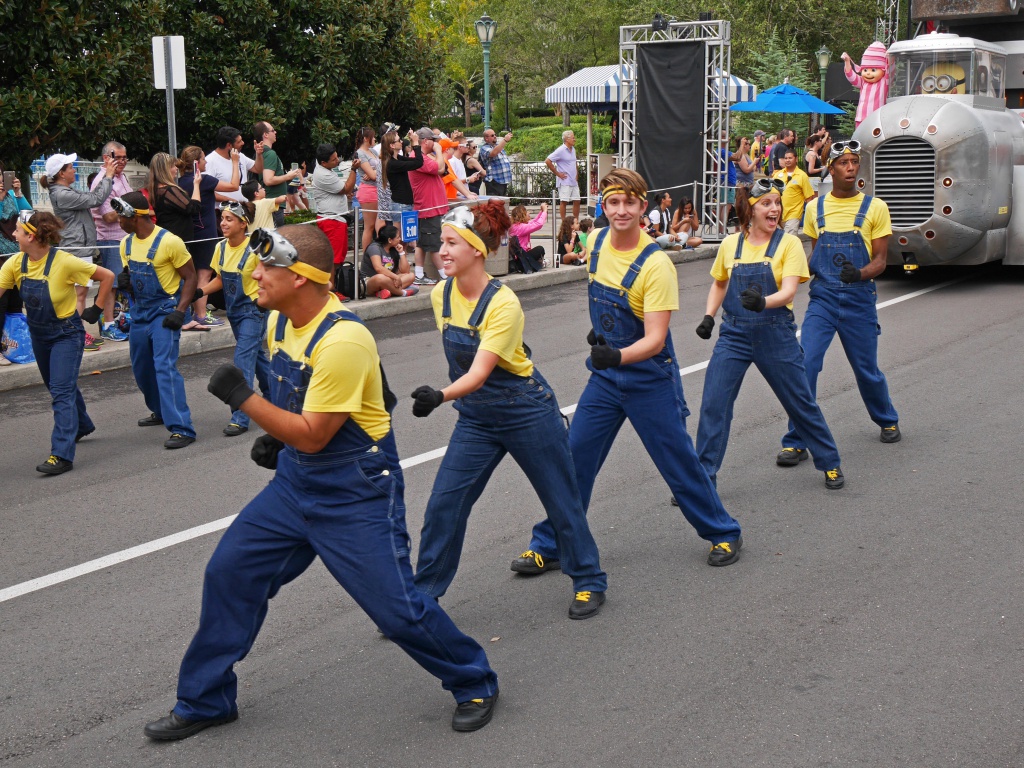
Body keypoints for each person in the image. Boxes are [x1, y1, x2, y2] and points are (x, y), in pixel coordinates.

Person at [144, 225, 499, 741]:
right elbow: (301, 412)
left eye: (267, 269)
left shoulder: (344, 339)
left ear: (303, 279)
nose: (255, 275)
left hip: (354, 490)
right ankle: (206, 699)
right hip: (295, 485)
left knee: (397, 610)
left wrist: (244, 399)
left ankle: (475, 681)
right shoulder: (279, 323)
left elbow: (313, 436)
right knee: (230, 574)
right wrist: (277, 434)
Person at [517, 169, 744, 570]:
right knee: (574, 458)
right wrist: (601, 331)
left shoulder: (657, 265)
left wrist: (618, 356)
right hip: (607, 377)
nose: (621, 210)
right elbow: (604, 297)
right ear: (603, 207)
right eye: (613, 203)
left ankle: (723, 532)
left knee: (678, 461)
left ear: (643, 206)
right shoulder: (598, 241)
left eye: (629, 203)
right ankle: (552, 542)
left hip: (648, 377)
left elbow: (655, 339)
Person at [410, 202, 608, 619]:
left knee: (561, 499)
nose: (441, 251)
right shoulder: (439, 295)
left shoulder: (504, 304)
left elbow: (480, 371)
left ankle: (588, 579)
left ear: (477, 250)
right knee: (445, 504)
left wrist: (441, 396)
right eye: (442, 242)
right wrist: (454, 398)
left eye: (451, 243)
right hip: (477, 418)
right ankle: (422, 597)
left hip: (525, 410)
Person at [693, 177, 845, 491]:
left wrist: (764, 301)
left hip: (776, 334)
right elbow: (720, 283)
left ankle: (829, 461)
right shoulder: (730, 245)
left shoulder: (789, 244)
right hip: (733, 335)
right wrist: (709, 316)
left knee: (799, 402)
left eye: (777, 202)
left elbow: (789, 290)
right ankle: (703, 480)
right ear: (750, 209)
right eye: (766, 203)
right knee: (713, 404)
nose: (774, 208)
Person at [778, 141, 901, 466]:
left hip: (859, 299)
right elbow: (818, 254)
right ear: (830, 169)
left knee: (866, 370)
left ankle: (887, 417)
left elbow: (880, 261)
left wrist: (859, 274)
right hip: (823, 298)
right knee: (806, 365)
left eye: (854, 161)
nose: (850, 167)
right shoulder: (814, 209)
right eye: (843, 162)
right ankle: (797, 438)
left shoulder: (876, 208)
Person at [0, 211, 115, 473]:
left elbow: (107, 276)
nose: (14, 234)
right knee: (58, 386)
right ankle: (82, 424)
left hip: (65, 334)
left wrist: (96, 309)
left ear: (31, 236)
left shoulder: (65, 262)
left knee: (61, 391)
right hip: (38, 333)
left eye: (18, 230)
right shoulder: (15, 264)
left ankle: (61, 454)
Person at [114, 191, 198, 449]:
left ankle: (182, 427)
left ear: (134, 216)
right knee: (141, 368)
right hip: (140, 314)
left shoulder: (170, 242)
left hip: (164, 313)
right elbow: (131, 279)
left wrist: (180, 312)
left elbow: (191, 277)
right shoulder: (125, 244)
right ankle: (160, 410)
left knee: (164, 367)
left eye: (121, 215)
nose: (117, 220)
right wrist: (124, 283)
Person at [193, 202, 271, 436]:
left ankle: (241, 416)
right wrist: (200, 292)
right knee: (256, 356)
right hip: (234, 312)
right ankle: (276, 394)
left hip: (253, 311)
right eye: (222, 218)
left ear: (243, 223)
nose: (223, 223)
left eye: (229, 219)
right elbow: (220, 279)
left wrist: (263, 300)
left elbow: (270, 277)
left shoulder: (257, 249)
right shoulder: (221, 248)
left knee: (243, 360)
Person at [39, 152, 118, 349]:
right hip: (77, 248)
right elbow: (96, 199)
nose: (74, 170)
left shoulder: (64, 190)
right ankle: (77, 336)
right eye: (71, 167)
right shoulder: (62, 194)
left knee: (79, 293)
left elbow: (92, 197)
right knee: (79, 294)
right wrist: (108, 175)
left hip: (80, 247)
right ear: (61, 173)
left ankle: (78, 334)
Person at [177, 145, 239, 328]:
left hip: (190, 233)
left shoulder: (182, 182)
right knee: (204, 274)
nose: (206, 162)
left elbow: (209, 195)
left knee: (192, 273)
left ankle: (197, 311)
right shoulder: (204, 179)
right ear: (197, 163)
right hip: (206, 232)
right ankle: (201, 314)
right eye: (204, 159)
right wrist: (235, 162)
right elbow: (234, 185)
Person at [89, 142, 133, 336]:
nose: (123, 161)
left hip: (126, 237)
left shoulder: (121, 176)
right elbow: (107, 216)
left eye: (125, 157)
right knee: (111, 284)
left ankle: (121, 320)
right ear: (107, 158)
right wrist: (129, 209)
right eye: (119, 157)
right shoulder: (102, 180)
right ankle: (108, 325)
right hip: (110, 238)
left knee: (124, 283)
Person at [408, 127, 450, 285]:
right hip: (428, 208)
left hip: (432, 207)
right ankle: (445, 276)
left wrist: (437, 154)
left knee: (423, 244)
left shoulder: (424, 156)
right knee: (434, 244)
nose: (436, 143)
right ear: (425, 141)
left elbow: (442, 169)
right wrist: (439, 151)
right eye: (434, 140)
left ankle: (419, 275)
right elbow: (439, 168)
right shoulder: (417, 157)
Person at [0, 164, 33, 358]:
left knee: (15, 304)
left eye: (2, 176)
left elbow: (28, 216)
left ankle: (12, 345)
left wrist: (18, 193)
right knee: (1, 304)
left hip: (15, 257)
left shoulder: (12, 196)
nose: (1, 181)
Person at [308, 143, 358, 267]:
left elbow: (340, 191)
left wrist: (344, 195)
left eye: (337, 157)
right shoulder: (323, 174)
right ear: (324, 162)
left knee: (339, 257)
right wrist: (353, 169)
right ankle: (331, 286)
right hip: (332, 221)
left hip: (335, 219)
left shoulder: (324, 168)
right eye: (334, 159)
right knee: (333, 261)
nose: (337, 161)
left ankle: (334, 284)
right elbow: (346, 188)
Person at [254, 121, 300, 227]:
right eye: (272, 130)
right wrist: (288, 176)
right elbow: (268, 180)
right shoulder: (270, 153)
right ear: (265, 134)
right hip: (273, 205)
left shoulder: (260, 153)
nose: (275, 132)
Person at [205, 126, 264, 206]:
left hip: (243, 210)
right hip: (223, 212)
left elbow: (258, 169)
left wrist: (258, 154)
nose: (243, 143)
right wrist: (230, 200)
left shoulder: (240, 156)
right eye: (239, 142)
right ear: (229, 145)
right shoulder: (209, 161)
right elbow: (206, 190)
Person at [361, 223, 417, 299]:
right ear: (390, 240)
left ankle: (386, 291)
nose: (399, 239)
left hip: (389, 279)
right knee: (380, 278)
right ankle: (402, 292)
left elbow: (405, 271)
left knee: (411, 275)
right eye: (398, 237)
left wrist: (401, 252)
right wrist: (396, 277)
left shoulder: (393, 248)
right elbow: (378, 268)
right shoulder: (374, 248)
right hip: (370, 281)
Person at [772, 148, 816, 235]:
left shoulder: (802, 176)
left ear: (796, 159)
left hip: (793, 215)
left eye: (790, 158)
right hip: (778, 214)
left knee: (790, 241)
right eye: (786, 158)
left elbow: (809, 197)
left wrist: (809, 217)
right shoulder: (777, 175)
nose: (787, 160)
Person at [545, 130, 581, 220]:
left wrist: (577, 173)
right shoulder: (560, 150)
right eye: (573, 138)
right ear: (567, 139)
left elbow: (575, 162)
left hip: (573, 181)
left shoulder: (573, 149)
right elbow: (547, 161)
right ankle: (564, 222)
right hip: (565, 181)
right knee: (564, 201)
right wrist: (558, 174)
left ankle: (575, 221)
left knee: (577, 200)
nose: (575, 139)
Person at [480, 128, 513, 197]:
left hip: (503, 180)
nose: (495, 136)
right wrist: (505, 140)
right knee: (495, 204)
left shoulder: (497, 146)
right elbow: (493, 153)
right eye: (492, 135)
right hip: (494, 181)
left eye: (495, 134)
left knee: (501, 203)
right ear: (486, 138)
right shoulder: (484, 148)